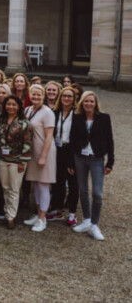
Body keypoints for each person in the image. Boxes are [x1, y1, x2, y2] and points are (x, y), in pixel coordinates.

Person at [69, 91, 114, 241]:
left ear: (95, 103)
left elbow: (110, 140)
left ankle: (94, 224)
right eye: (86, 101)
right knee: (83, 190)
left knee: (97, 193)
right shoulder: (77, 118)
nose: (89, 104)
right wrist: (71, 162)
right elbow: (72, 140)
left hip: (97, 159)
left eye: (91, 101)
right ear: (82, 103)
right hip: (80, 158)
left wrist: (110, 162)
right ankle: (87, 219)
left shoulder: (104, 118)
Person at [22, 84, 56, 232]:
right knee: (35, 184)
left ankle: (43, 218)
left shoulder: (47, 112)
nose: (36, 97)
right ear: (30, 95)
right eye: (33, 94)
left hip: (44, 151)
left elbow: (49, 137)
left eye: (39, 95)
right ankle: (38, 213)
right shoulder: (28, 110)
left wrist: (43, 156)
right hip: (32, 152)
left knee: (43, 185)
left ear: (43, 96)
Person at [0, 95, 32, 229]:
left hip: (17, 160)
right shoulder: (2, 120)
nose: (10, 107)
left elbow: (27, 143)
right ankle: (7, 213)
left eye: (13, 105)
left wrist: (23, 160)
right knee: (5, 188)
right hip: (2, 159)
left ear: (18, 107)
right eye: (8, 104)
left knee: (14, 189)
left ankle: (11, 216)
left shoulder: (24, 123)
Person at [50, 86, 79, 225]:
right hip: (57, 149)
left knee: (73, 183)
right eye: (64, 96)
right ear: (60, 98)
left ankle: (72, 213)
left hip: (71, 150)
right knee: (58, 182)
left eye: (69, 96)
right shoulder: (55, 112)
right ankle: (58, 209)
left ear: (74, 99)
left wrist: (72, 160)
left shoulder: (78, 114)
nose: (66, 99)